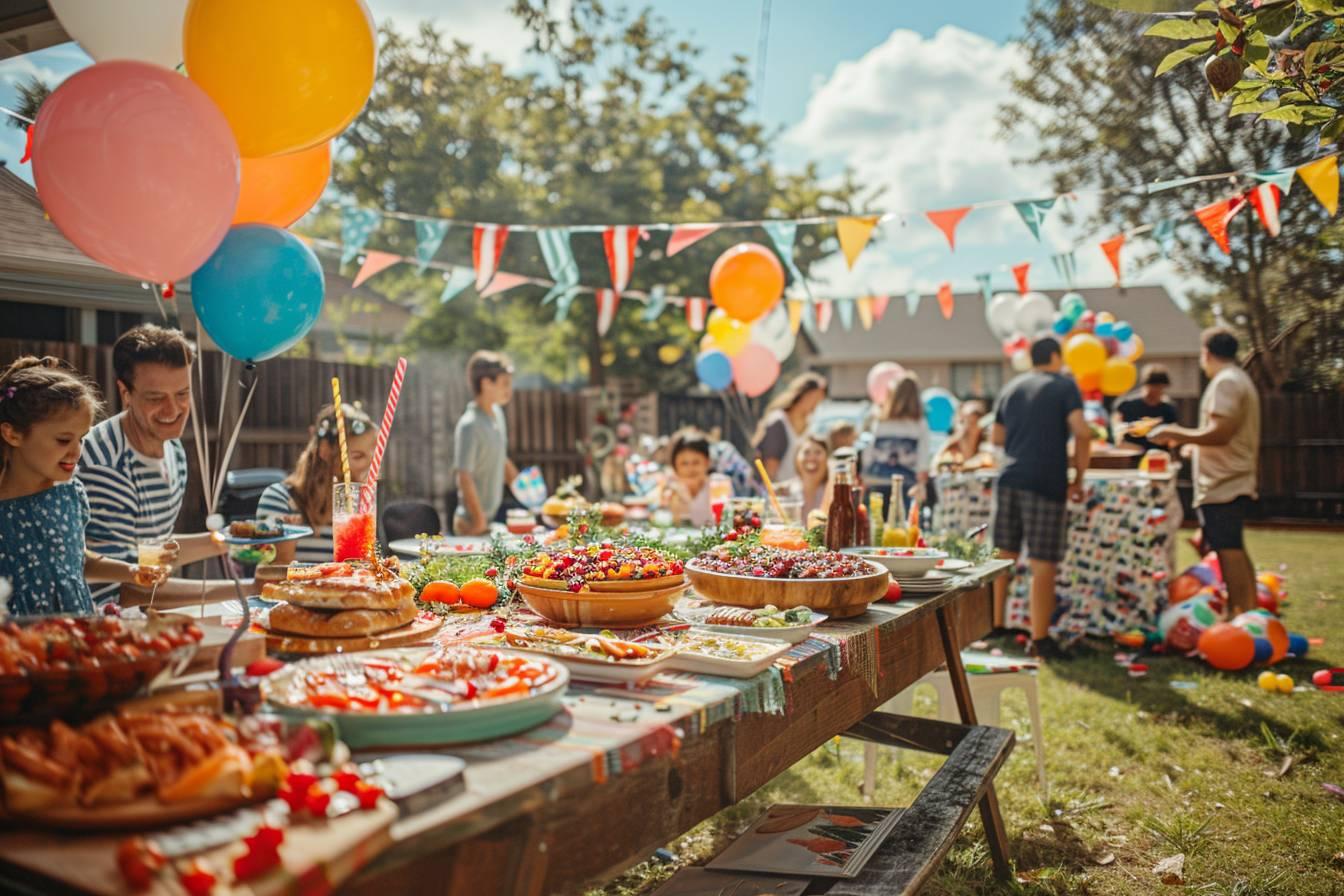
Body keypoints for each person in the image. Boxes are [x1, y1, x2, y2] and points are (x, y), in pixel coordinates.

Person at [0, 357, 168, 616]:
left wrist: (132, 571)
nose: (76, 451)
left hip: (79, 630)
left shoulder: (70, 494)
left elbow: (76, 559)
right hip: (19, 641)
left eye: (81, 438)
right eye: (63, 439)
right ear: (12, 434)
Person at [77, 325, 229, 608]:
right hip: (102, 623)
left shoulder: (173, 450)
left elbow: (153, 549)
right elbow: (129, 588)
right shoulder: (106, 465)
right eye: (156, 398)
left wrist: (230, 541)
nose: (173, 411)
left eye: (182, 394)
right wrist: (250, 588)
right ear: (125, 392)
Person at [990, 337, 1091, 661]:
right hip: (1045, 480)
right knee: (1042, 563)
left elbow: (996, 437)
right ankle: (1040, 638)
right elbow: (1083, 432)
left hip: (1008, 478)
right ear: (1055, 356)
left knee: (1003, 556)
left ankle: (994, 626)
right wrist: (1078, 477)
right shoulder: (1064, 385)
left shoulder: (1012, 387)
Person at [1150, 327, 1261, 616]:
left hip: (1224, 481)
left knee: (1228, 551)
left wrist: (1178, 434)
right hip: (1231, 477)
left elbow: (1221, 433)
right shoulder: (1238, 378)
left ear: (1206, 353)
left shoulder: (1226, 382)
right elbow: (1225, 435)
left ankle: (1239, 614)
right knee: (1234, 546)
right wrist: (1194, 447)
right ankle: (1251, 611)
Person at [258, 402, 378, 565]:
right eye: (358, 456)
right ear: (325, 450)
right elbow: (267, 579)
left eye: (374, 457)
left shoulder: (360, 510)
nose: (371, 467)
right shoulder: (279, 499)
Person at [454, 351, 518, 536]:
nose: (509, 389)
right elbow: (464, 476)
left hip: (489, 519)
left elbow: (500, 457)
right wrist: (479, 520)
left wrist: (529, 495)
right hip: (471, 523)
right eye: (504, 383)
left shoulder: (497, 415)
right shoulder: (470, 425)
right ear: (485, 383)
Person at [862, 373, 930, 504]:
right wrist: (922, 484)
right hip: (906, 484)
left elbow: (868, 454)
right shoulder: (919, 423)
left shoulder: (880, 420)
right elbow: (923, 460)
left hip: (877, 482)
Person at [752, 372, 827, 482]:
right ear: (803, 395)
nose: (816, 405)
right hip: (778, 494)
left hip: (797, 493)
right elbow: (769, 471)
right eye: (814, 398)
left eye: (820, 400)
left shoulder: (809, 425)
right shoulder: (778, 422)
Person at [1113, 364, 1178, 452]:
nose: (1157, 391)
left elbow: (1173, 439)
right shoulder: (1126, 406)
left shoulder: (1168, 409)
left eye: (1160, 387)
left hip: (1158, 457)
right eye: (1154, 386)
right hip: (1132, 456)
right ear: (1146, 385)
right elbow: (1117, 436)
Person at [658, 428, 715, 527]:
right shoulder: (669, 489)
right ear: (675, 465)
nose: (690, 469)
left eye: (696, 462)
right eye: (684, 463)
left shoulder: (719, 485)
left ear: (707, 462)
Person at [776, 435, 829, 522]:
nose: (812, 458)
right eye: (806, 452)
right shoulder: (782, 492)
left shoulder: (835, 494)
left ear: (827, 459)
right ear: (796, 459)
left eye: (818, 452)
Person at [935, 399, 991, 470]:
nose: (970, 427)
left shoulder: (985, 447)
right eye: (964, 421)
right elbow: (936, 466)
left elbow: (988, 462)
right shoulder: (950, 450)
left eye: (974, 422)